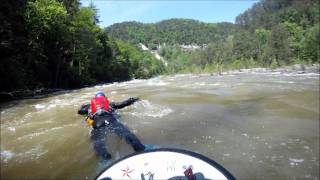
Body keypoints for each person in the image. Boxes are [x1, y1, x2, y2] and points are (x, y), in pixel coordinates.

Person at [78, 92, 146, 161]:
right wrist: (133, 99)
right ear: (104, 99)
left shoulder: (89, 107)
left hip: (97, 123)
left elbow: (80, 112)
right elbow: (124, 104)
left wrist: (82, 106)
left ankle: (105, 159)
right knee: (126, 134)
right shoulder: (110, 104)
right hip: (111, 120)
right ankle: (141, 149)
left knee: (98, 142)